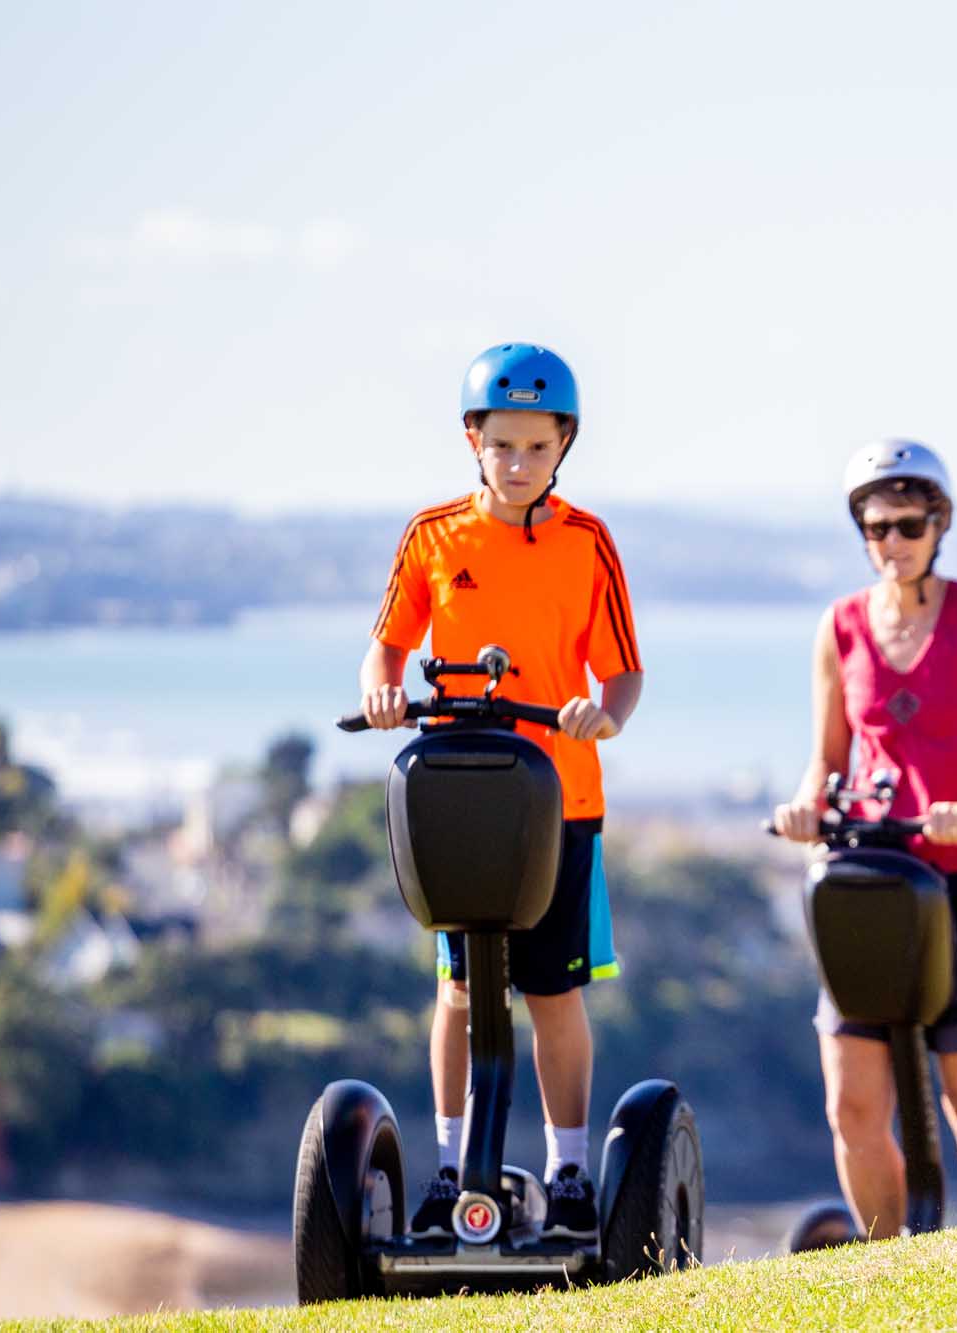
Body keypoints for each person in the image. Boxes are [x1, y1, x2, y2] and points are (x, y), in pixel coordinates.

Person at [358, 343, 644, 1238]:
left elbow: (624, 671)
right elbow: (388, 644)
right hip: (458, 793)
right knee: (457, 990)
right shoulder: (433, 536)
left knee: (555, 993)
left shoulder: (586, 542)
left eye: (537, 446)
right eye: (502, 445)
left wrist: (605, 714)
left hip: (561, 797)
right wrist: (379, 689)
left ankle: (567, 1176)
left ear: (565, 444)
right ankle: (447, 1172)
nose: (519, 464)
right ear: (472, 440)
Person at [772, 440, 957, 1236]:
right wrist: (806, 807)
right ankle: (887, 1268)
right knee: (852, 1100)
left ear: (939, 524)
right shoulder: (839, 627)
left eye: (908, 525)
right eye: (876, 529)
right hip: (868, 878)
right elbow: (826, 762)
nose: (892, 543)